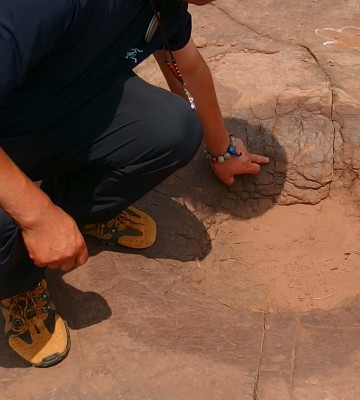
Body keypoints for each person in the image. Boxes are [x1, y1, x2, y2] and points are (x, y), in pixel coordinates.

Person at [0, 0, 269, 367]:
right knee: (9, 221)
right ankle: (17, 284)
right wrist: (37, 216)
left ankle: (79, 212)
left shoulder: (165, 4)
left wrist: (222, 149)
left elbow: (185, 66)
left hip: (57, 108)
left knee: (172, 129)